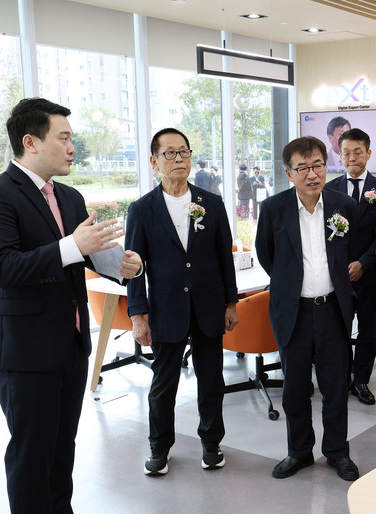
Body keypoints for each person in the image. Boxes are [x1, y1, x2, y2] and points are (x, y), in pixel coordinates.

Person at [0, 97, 142, 513]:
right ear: (30, 142)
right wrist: (73, 246)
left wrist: (121, 265)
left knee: (63, 449)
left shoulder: (69, 196)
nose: (71, 148)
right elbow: (2, 268)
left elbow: (82, 253)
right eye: (63, 138)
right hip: (22, 350)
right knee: (32, 454)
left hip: (71, 343)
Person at [126, 128, 238, 476]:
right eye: (170, 153)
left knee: (212, 380)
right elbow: (133, 267)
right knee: (163, 385)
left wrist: (231, 303)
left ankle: (211, 442)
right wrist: (138, 315)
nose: (179, 159)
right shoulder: (142, 209)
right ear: (154, 161)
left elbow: (224, 257)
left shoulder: (211, 203)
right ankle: (159, 446)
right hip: (166, 308)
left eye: (184, 152)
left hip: (208, 306)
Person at [255, 136, 359, 482]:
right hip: (294, 313)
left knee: (335, 387)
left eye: (318, 166)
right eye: (302, 168)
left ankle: (337, 452)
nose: (312, 174)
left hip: (333, 311)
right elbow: (267, 256)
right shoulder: (273, 209)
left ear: (327, 167)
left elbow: (354, 252)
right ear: (289, 173)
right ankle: (299, 451)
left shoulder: (344, 206)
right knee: (295, 388)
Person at [324, 128, 376, 405]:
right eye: (346, 153)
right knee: (338, 330)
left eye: (358, 152)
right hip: (337, 276)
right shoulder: (328, 190)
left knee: (368, 330)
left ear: (368, 153)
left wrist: (363, 262)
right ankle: (341, 378)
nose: (352, 157)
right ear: (339, 155)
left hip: (370, 273)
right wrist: (341, 265)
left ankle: (361, 380)